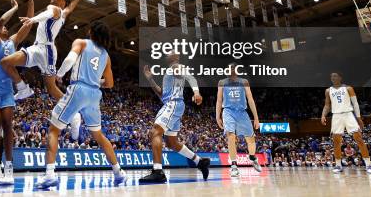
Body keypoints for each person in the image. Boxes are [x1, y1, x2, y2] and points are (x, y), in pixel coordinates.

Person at [36, 21, 126, 189]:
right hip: (94, 95)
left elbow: (70, 58)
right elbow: (110, 83)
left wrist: (60, 74)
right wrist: (95, 80)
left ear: (91, 32)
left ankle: (49, 175)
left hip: (79, 89)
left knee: (54, 130)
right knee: (99, 136)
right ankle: (118, 172)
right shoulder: (106, 56)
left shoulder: (81, 42)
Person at [0, 0, 83, 138]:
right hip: (37, 48)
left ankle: (74, 114)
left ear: (62, 2)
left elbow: (48, 14)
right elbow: (70, 8)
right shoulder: (63, 13)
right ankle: (22, 88)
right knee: (6, 62)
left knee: (51, 88)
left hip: (46, 51)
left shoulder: (55, 9)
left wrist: (33, 20)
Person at [0, 0, 34, 184]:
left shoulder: (12, 41)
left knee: (8, 125)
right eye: (2, 28)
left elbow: (28, 25)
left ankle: (9, 167)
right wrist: (15, 8)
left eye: (6, 28)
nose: (5, 28)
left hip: (7, 87)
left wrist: (30, 0)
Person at [139, 54, 210, 183]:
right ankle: (199, 162)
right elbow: (161, 94)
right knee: (171, 143)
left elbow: (190, 77)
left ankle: (157, 171)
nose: (168, 53)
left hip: (173, 104)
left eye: (171, 52)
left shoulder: (175, 66)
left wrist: (196, 92)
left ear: (175, 57)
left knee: (155, 132)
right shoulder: (170, 72)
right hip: (173, 104)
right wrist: (150, 79)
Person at [321, 72, 371, 174]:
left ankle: (369, 164)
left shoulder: (348, 88)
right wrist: (323, 115)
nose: (333, 78)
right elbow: (327, 105)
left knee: (358, 138)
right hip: (336, 116)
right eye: (331, 76)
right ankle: (338, 165)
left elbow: (355, 104)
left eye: (335, 76)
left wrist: (359, 119)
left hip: (348, 114)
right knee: (336, 141)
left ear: (340, 77)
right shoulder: (328, 91)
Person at [215, 63, 262, 177]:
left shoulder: (244, 81)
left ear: (236, 70)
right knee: (231, 136)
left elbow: (250, 99)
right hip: (228, 111)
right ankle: (234, 166)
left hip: (242, 112)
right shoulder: (222, 82)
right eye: (228, 69)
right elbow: (219, 100)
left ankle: (252, 158)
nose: (229, 70)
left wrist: (256, 118)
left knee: (250, 140)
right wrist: (218, 116)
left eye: (232, 69)